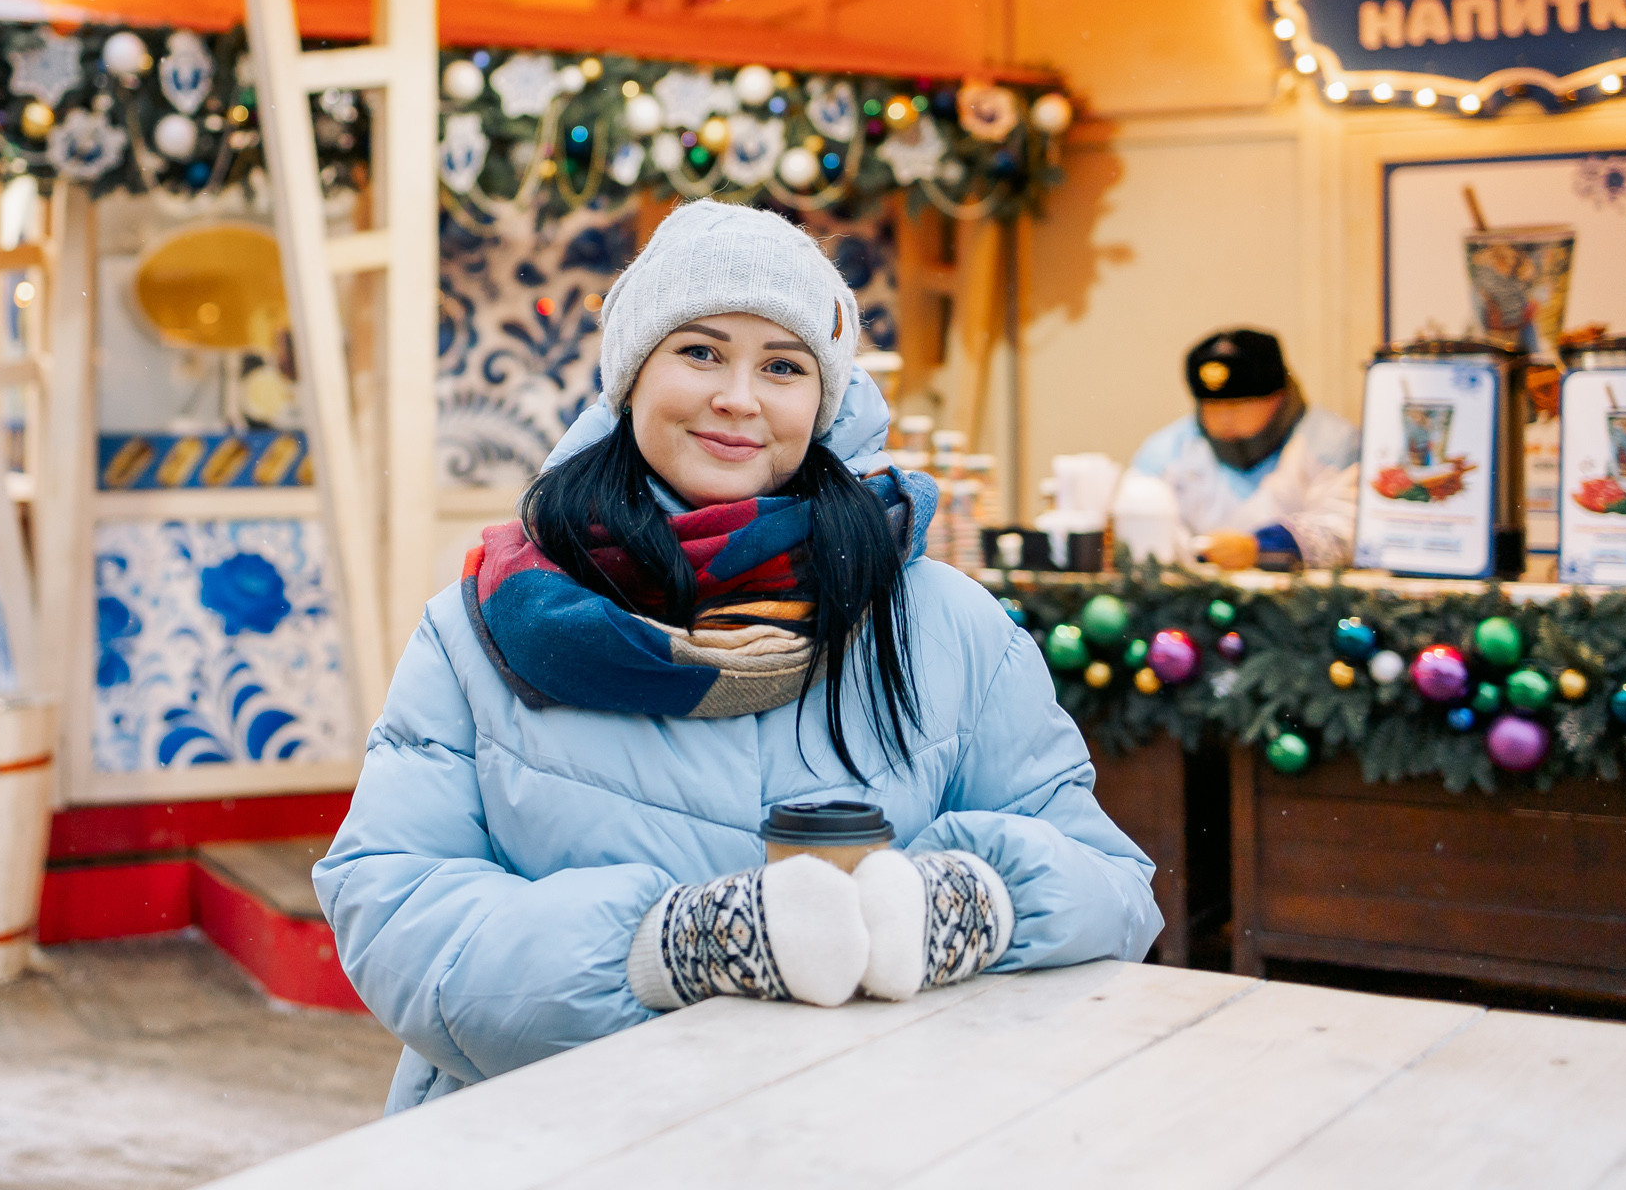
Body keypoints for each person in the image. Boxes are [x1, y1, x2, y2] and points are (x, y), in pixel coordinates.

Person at [316, 201, 1162, 1115]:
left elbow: (1111, 885)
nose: (739, 398)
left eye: (784, 366)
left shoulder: (943, 623)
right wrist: (663, 950)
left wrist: (965, 904)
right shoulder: (486, 625)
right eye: (702, 351)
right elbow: (395, 909)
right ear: (633, 373)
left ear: (822, 401)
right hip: (549, 1140)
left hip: (869, 1135)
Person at [1130, 328, 1359, 570]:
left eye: (1239, 405)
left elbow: (1350, 526)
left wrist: (1264, 547)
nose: (1223, 418)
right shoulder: (1165, 451)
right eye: (1211, 406)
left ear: (1279, 397)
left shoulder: (1334, 443)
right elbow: (1138, 521)